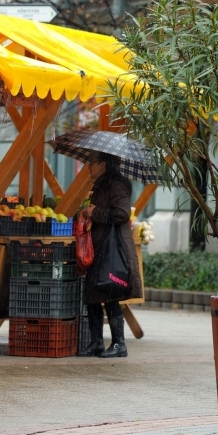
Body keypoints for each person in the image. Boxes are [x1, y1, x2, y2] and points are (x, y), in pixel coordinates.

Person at [77, 152, 142, 358]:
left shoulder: (116, 185)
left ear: (103, 165)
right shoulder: (101, 184)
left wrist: (95, 213)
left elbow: (122, 213)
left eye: (91, 163)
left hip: (113, 248)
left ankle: (119, 344)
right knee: (94, 293)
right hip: (99, 246)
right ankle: (96, 342)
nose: (88, 166)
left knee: (110, 293)